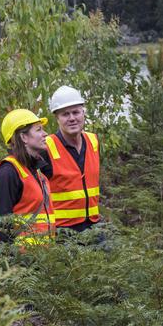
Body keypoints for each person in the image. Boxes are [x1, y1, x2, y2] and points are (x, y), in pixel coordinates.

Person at [0, 109, 55, 250]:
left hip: (41, 262)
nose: (45, 134)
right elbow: (1, 227)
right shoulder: (7, 173)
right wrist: (11, 267)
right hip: (19, 264)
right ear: (23, 137)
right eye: (39, 130)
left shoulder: (36, 172)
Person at [45, 86, 101, 232]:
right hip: (62, 231)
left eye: (76, 112)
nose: (72, 118)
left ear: (83, 113)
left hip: (93, 225)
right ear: (57, 118)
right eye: (65, 114)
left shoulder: (93, 141)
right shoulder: (46, 147)